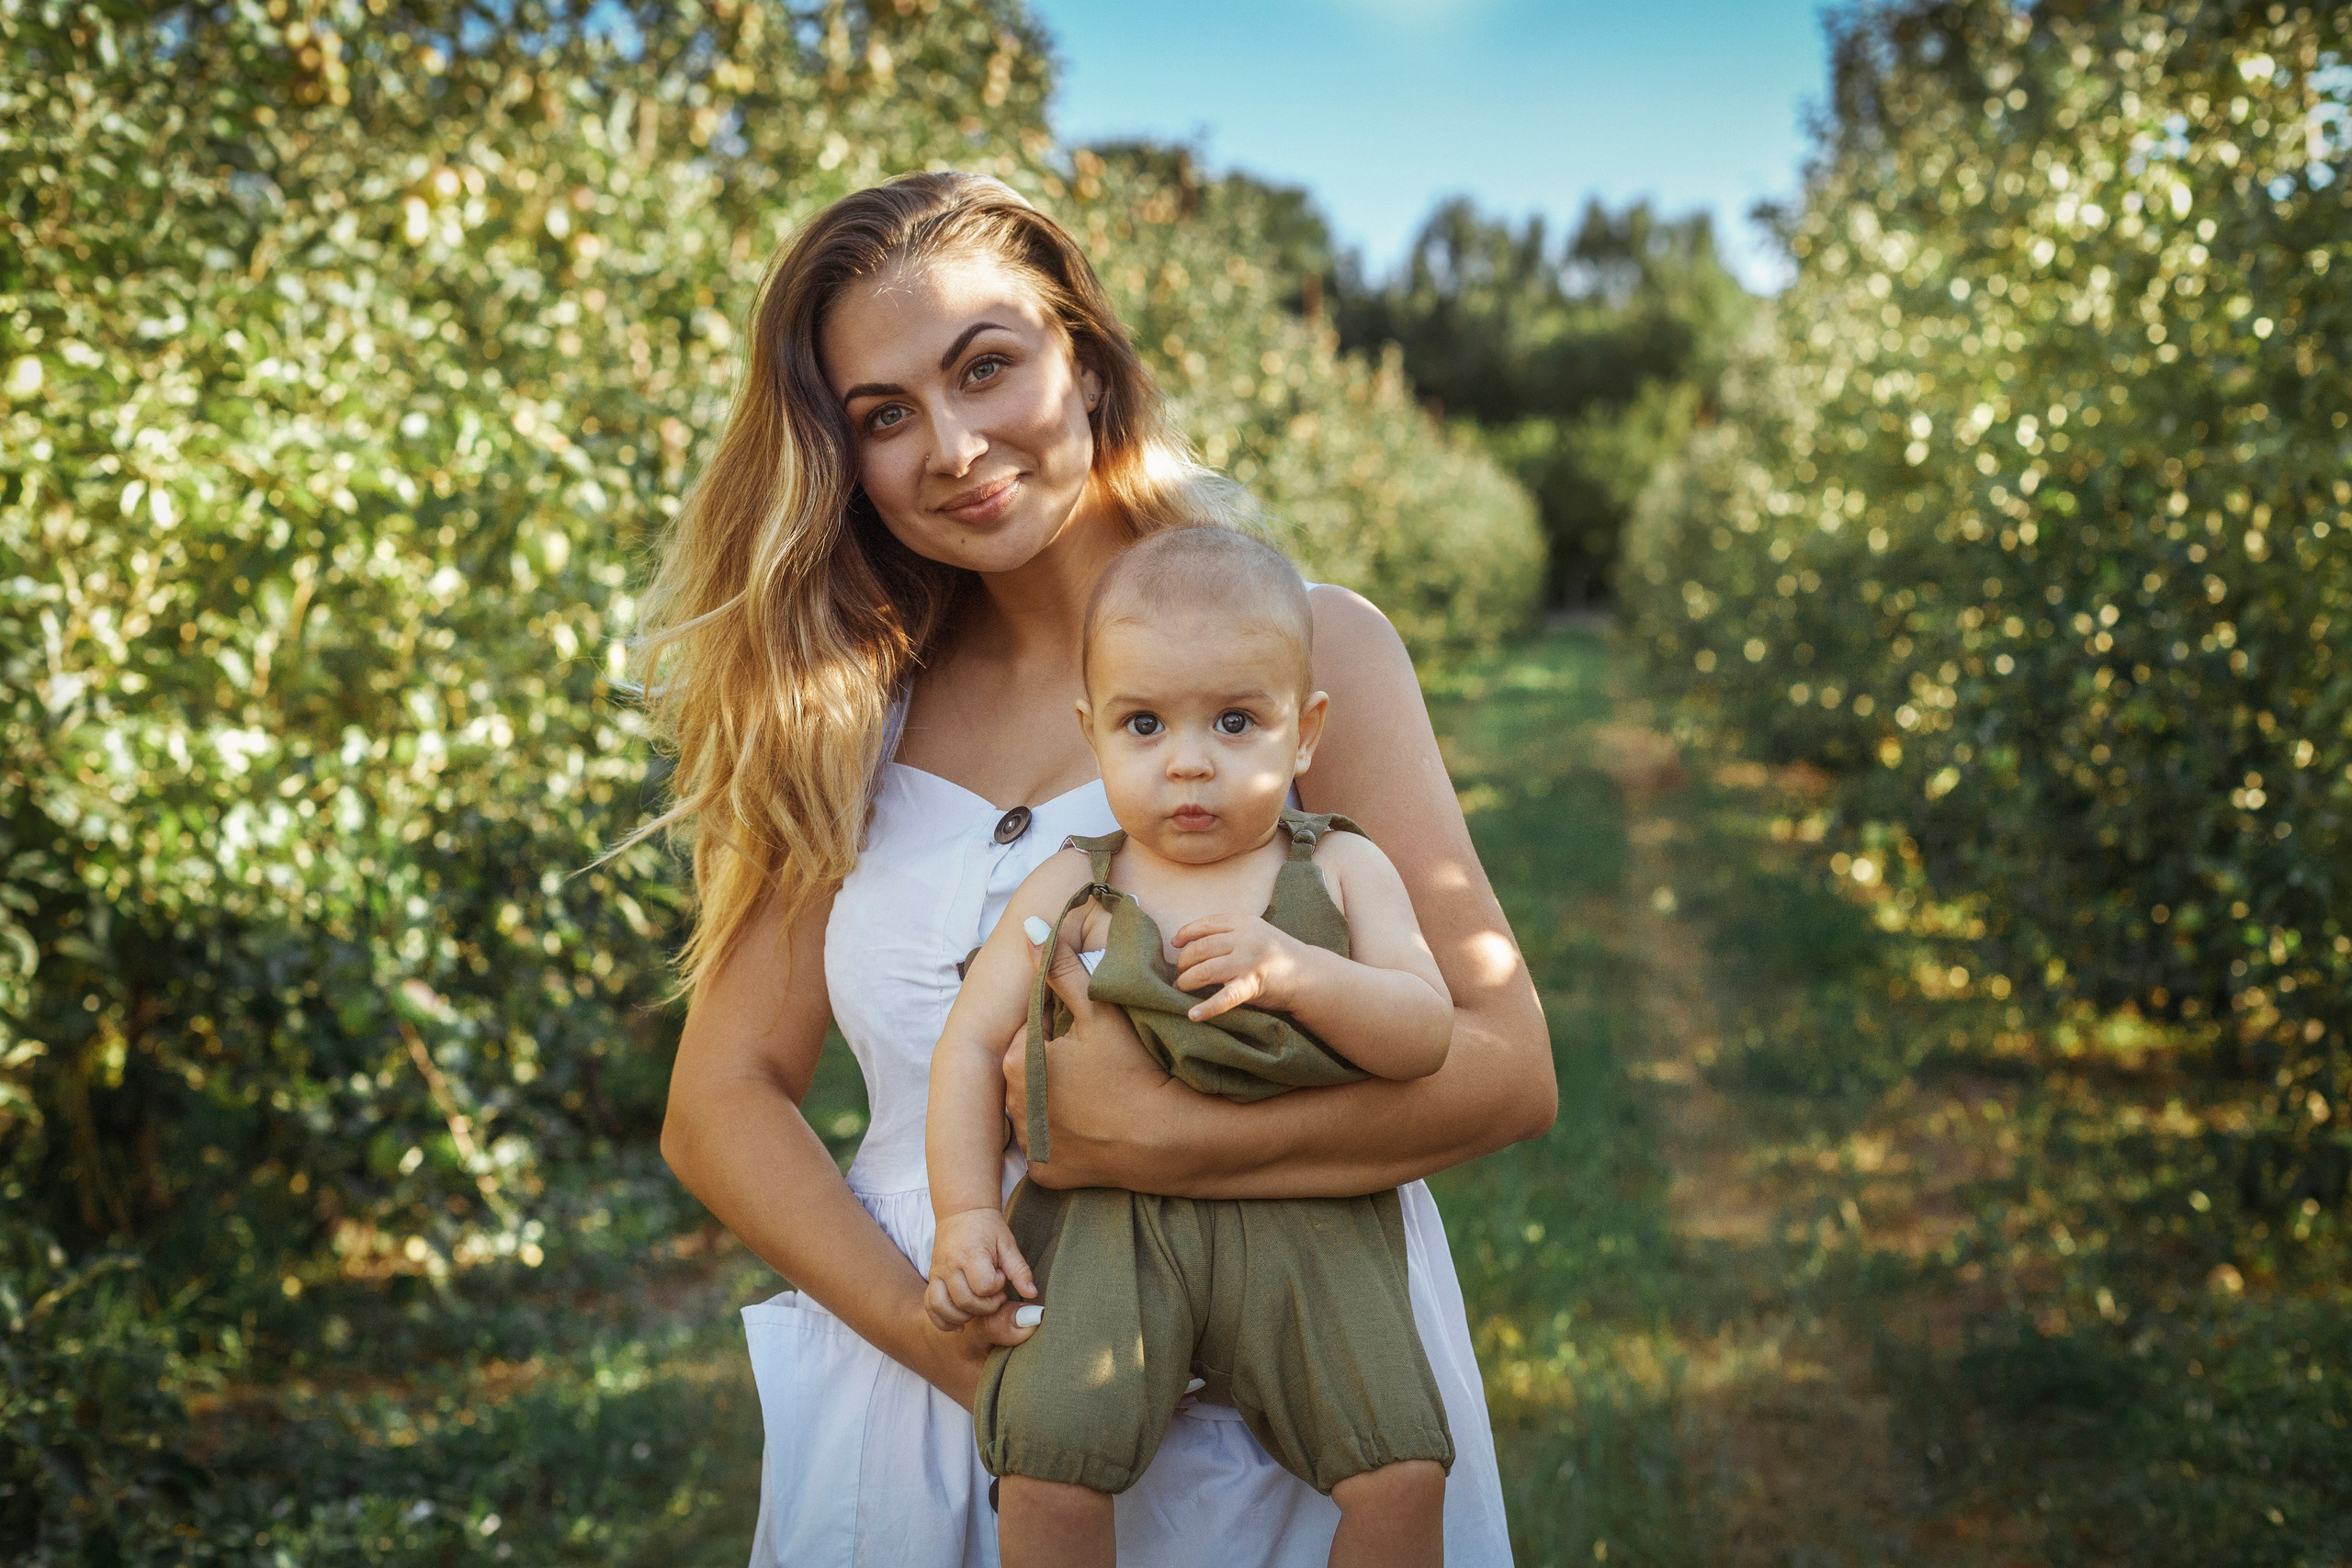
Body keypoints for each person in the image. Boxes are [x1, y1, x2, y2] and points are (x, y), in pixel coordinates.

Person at [638, 170, 1554, 1566]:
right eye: (884, 415)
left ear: (1087, 353)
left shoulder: (1307, 654)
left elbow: (1506, 1065)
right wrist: (983, 1373)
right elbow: (719, 1100)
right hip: (937, 1362)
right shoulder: (838, 709)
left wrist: (1173, 1147)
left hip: (1284, 1385)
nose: (950, 444)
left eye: (985, 366)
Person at [927, 527, 1455, 1568]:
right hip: (1104, 1231)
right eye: (1142, 724)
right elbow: (966, 1049)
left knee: (1399, 1472)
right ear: (1094, 733)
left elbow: (1425, 1028)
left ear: (1303, 734)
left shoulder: (1341, 866)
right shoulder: (1071, 885)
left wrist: (1304, 972)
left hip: (1309, 1224)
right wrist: (965, 1215)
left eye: (1233, 721)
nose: (1188, 762)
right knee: (1045, 1464)